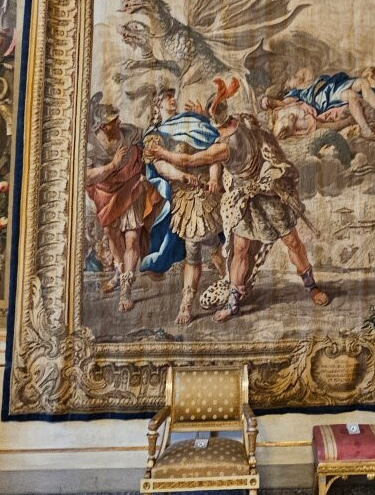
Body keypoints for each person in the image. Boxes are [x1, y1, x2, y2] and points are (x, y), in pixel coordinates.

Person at [147, 78, 330, 322]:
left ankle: (312, 287)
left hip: (268, 193)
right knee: (240, 250)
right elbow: (194, 153)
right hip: (245, 200)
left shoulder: (230, 136)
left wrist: (162, 153)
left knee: (292, 241)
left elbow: (189, 161)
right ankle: (233, 303)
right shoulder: (234, 128)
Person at [143, 86, 227, 325]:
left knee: (216, 244)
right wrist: (181, 176)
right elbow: (160, 167)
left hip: (208, 194)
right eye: (167, 97)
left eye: (173, 96)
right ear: (157, 105)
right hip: (184, 198)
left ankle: (232, 287)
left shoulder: (192, 122)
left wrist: (214, 178)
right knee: (192, 249)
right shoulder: (154, 136)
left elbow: (213, 153)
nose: (173, 100)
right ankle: (187, 303)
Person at [85, 97, 163, 312]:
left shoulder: (128, 132)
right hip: (106, 195)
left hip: (131, 189)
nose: (118, 122)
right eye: (113, 121)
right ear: (103, 126)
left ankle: (127, 286)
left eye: (117, 118)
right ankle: (120, 271)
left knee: (132, 237)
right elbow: (86, 176)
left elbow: (148, 136)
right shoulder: (91, 145)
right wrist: (113, 165)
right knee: (111, 234)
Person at [262, 66, 375, 140]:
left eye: (293, 77)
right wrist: (270, 101)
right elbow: (282, 104)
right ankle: (364, 128)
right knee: (351, 96)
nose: (294, 77)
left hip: (333, 84)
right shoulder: (296, 93)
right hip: (324, 96)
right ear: (288, 88)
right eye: (290, 80)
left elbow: (306, 70)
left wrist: (297, 79)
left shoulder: (309, 80)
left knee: (363, 82)